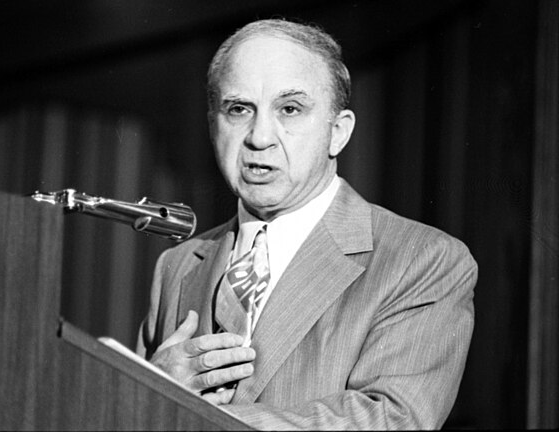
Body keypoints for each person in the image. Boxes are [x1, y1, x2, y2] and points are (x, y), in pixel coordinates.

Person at [136, 18, 477, 430]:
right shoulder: (176, 266)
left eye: (290, 109)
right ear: (213, 127)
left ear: (338, 133)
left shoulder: (422, 260)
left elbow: (390, 419)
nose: (259, 137)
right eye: (239, 109)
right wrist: (141, 389)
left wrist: (168, 410)